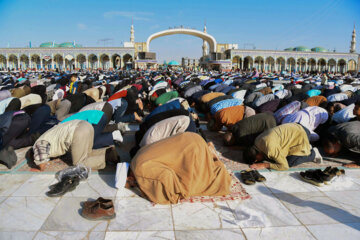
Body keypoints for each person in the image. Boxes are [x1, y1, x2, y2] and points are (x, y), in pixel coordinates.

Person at [131, 132, 231, 204]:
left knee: (201, 181)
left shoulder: (140, 169)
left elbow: (166, 178)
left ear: (128, 178)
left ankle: (213, 161)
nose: (129, 186)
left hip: (192, 148)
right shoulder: (135, 159)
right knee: (205, 167)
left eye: (127, 184)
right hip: (191, 137)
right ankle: (210, 154)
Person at [31, 120, 118, 171]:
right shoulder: (48, 136)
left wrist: (37, 167)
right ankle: (109, 152)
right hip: (85, 125)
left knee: (79, 164)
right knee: (87, 153)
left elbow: (42, 165)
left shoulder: (38, 144)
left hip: (78, 131)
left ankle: (107, 157)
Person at [246, 123, 321, 171]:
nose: (259, 161)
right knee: (274, 159)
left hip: (301, 134)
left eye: (257, 160)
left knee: (290, 162)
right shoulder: (257, 141)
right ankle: (307, 146)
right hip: (295, 127)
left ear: (256, 158)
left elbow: (284, 166)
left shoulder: (270, 149)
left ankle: (313, 153)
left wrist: (265, 165)